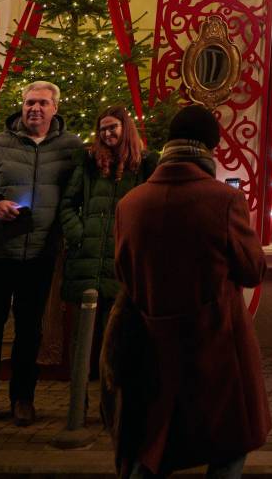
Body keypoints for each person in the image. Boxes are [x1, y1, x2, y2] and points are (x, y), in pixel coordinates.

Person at [105, 104, 268, 479]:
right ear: (210, 147)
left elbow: (123, 271)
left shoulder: (130, 204)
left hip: (152, 342)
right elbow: (252, 269)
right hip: (217, 343)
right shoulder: (223, 200)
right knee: (229, 445)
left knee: (155, 443)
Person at [0, 79, 82, 428]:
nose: (34, 109)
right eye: (29, 103)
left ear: (55, 108)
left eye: (42, 103)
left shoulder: (71, 148)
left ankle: (23, 399)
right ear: (21, 106)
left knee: (30, 331)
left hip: (40, 254)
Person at [60, 104, 152, 378]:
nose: (107, 134)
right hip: (86, 259)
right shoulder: (89, 163)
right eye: (102, 129)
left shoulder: (144, 164)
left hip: (120, 260)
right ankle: (79, 398)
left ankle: (110, 401)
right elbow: (68, 204)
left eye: (112, 127)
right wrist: (79, 234)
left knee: (117, 337)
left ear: (125, 128)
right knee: (82, 335)